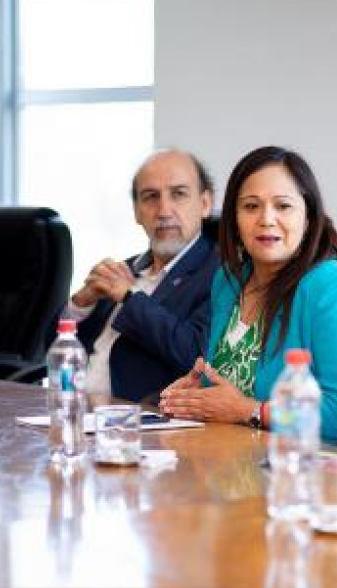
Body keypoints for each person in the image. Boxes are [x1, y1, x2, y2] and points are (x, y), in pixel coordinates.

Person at [159, 146, 337, 446]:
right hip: (230, 459)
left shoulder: (335, 286)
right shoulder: (229, 280)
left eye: (283, 206)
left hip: (304, 466)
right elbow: (233, 386)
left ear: (308, 217)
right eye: (251, 206)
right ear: (234, 218)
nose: (266, 219)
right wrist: (194, 396)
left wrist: (250, 411)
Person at [64, 149, 220, 403]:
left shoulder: (222, 274)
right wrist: (81, 304)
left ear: (205, 204)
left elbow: (195, 356)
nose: (164, 210)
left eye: (178, 194)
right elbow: (51, 351)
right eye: (151, 197)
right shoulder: (124, 270)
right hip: (76, 407)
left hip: (141, 417)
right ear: (136, 211)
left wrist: (130, 297)